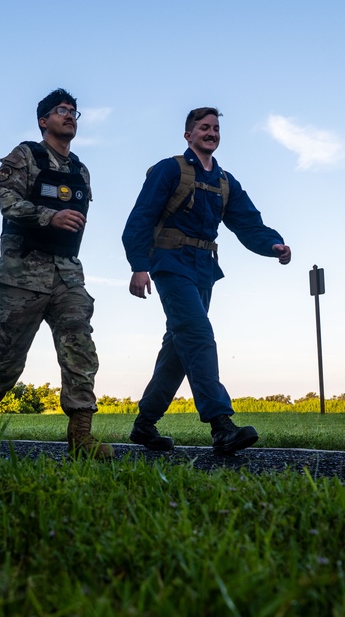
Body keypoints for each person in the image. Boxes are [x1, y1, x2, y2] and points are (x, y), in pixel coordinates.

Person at [122, 107, 292, 455]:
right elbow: (139, 218)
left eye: (215, 128)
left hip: (203, 270)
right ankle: (220, 425)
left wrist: (273, 244)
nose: (211, 132)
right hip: (170, 265)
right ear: (189, 135)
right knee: (198, 335)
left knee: (178, 349)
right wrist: (139, 265)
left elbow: (247, 222)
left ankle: (144, 424)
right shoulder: (171, 169)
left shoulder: (225, 182)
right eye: (203, 127)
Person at [0, 88, 112, 459]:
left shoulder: (80, 170)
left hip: (67, 275)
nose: (70, 115)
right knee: (6, 359)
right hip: (21, 274)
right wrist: (50, 216)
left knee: (80, 347)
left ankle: (80, 436)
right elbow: (7, 202)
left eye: (75, 111)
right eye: (62, 110)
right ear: (44, 120)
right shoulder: (25, 155)